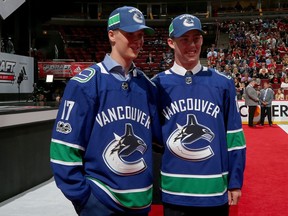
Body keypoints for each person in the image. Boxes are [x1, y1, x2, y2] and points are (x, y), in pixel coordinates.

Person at [50, 6, 162, 216]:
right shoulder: (84, 84)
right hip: (100, 203)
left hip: (141, 203)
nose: (138, 41)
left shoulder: (148, 87)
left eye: (140, 35)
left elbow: (159, 140)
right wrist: (85, 198)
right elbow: (63, 149)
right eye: (130, 34)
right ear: (112, 35)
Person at [152, 14, 246, 216]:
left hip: (214, 190)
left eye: (196, 38)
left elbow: (235, 137)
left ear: (203, 40)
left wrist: (235, 182)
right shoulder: (157, 84)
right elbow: (154, 139)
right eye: (184, 39)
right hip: (174, 190)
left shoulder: (223, 82)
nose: (192, 45)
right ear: (171, 42)